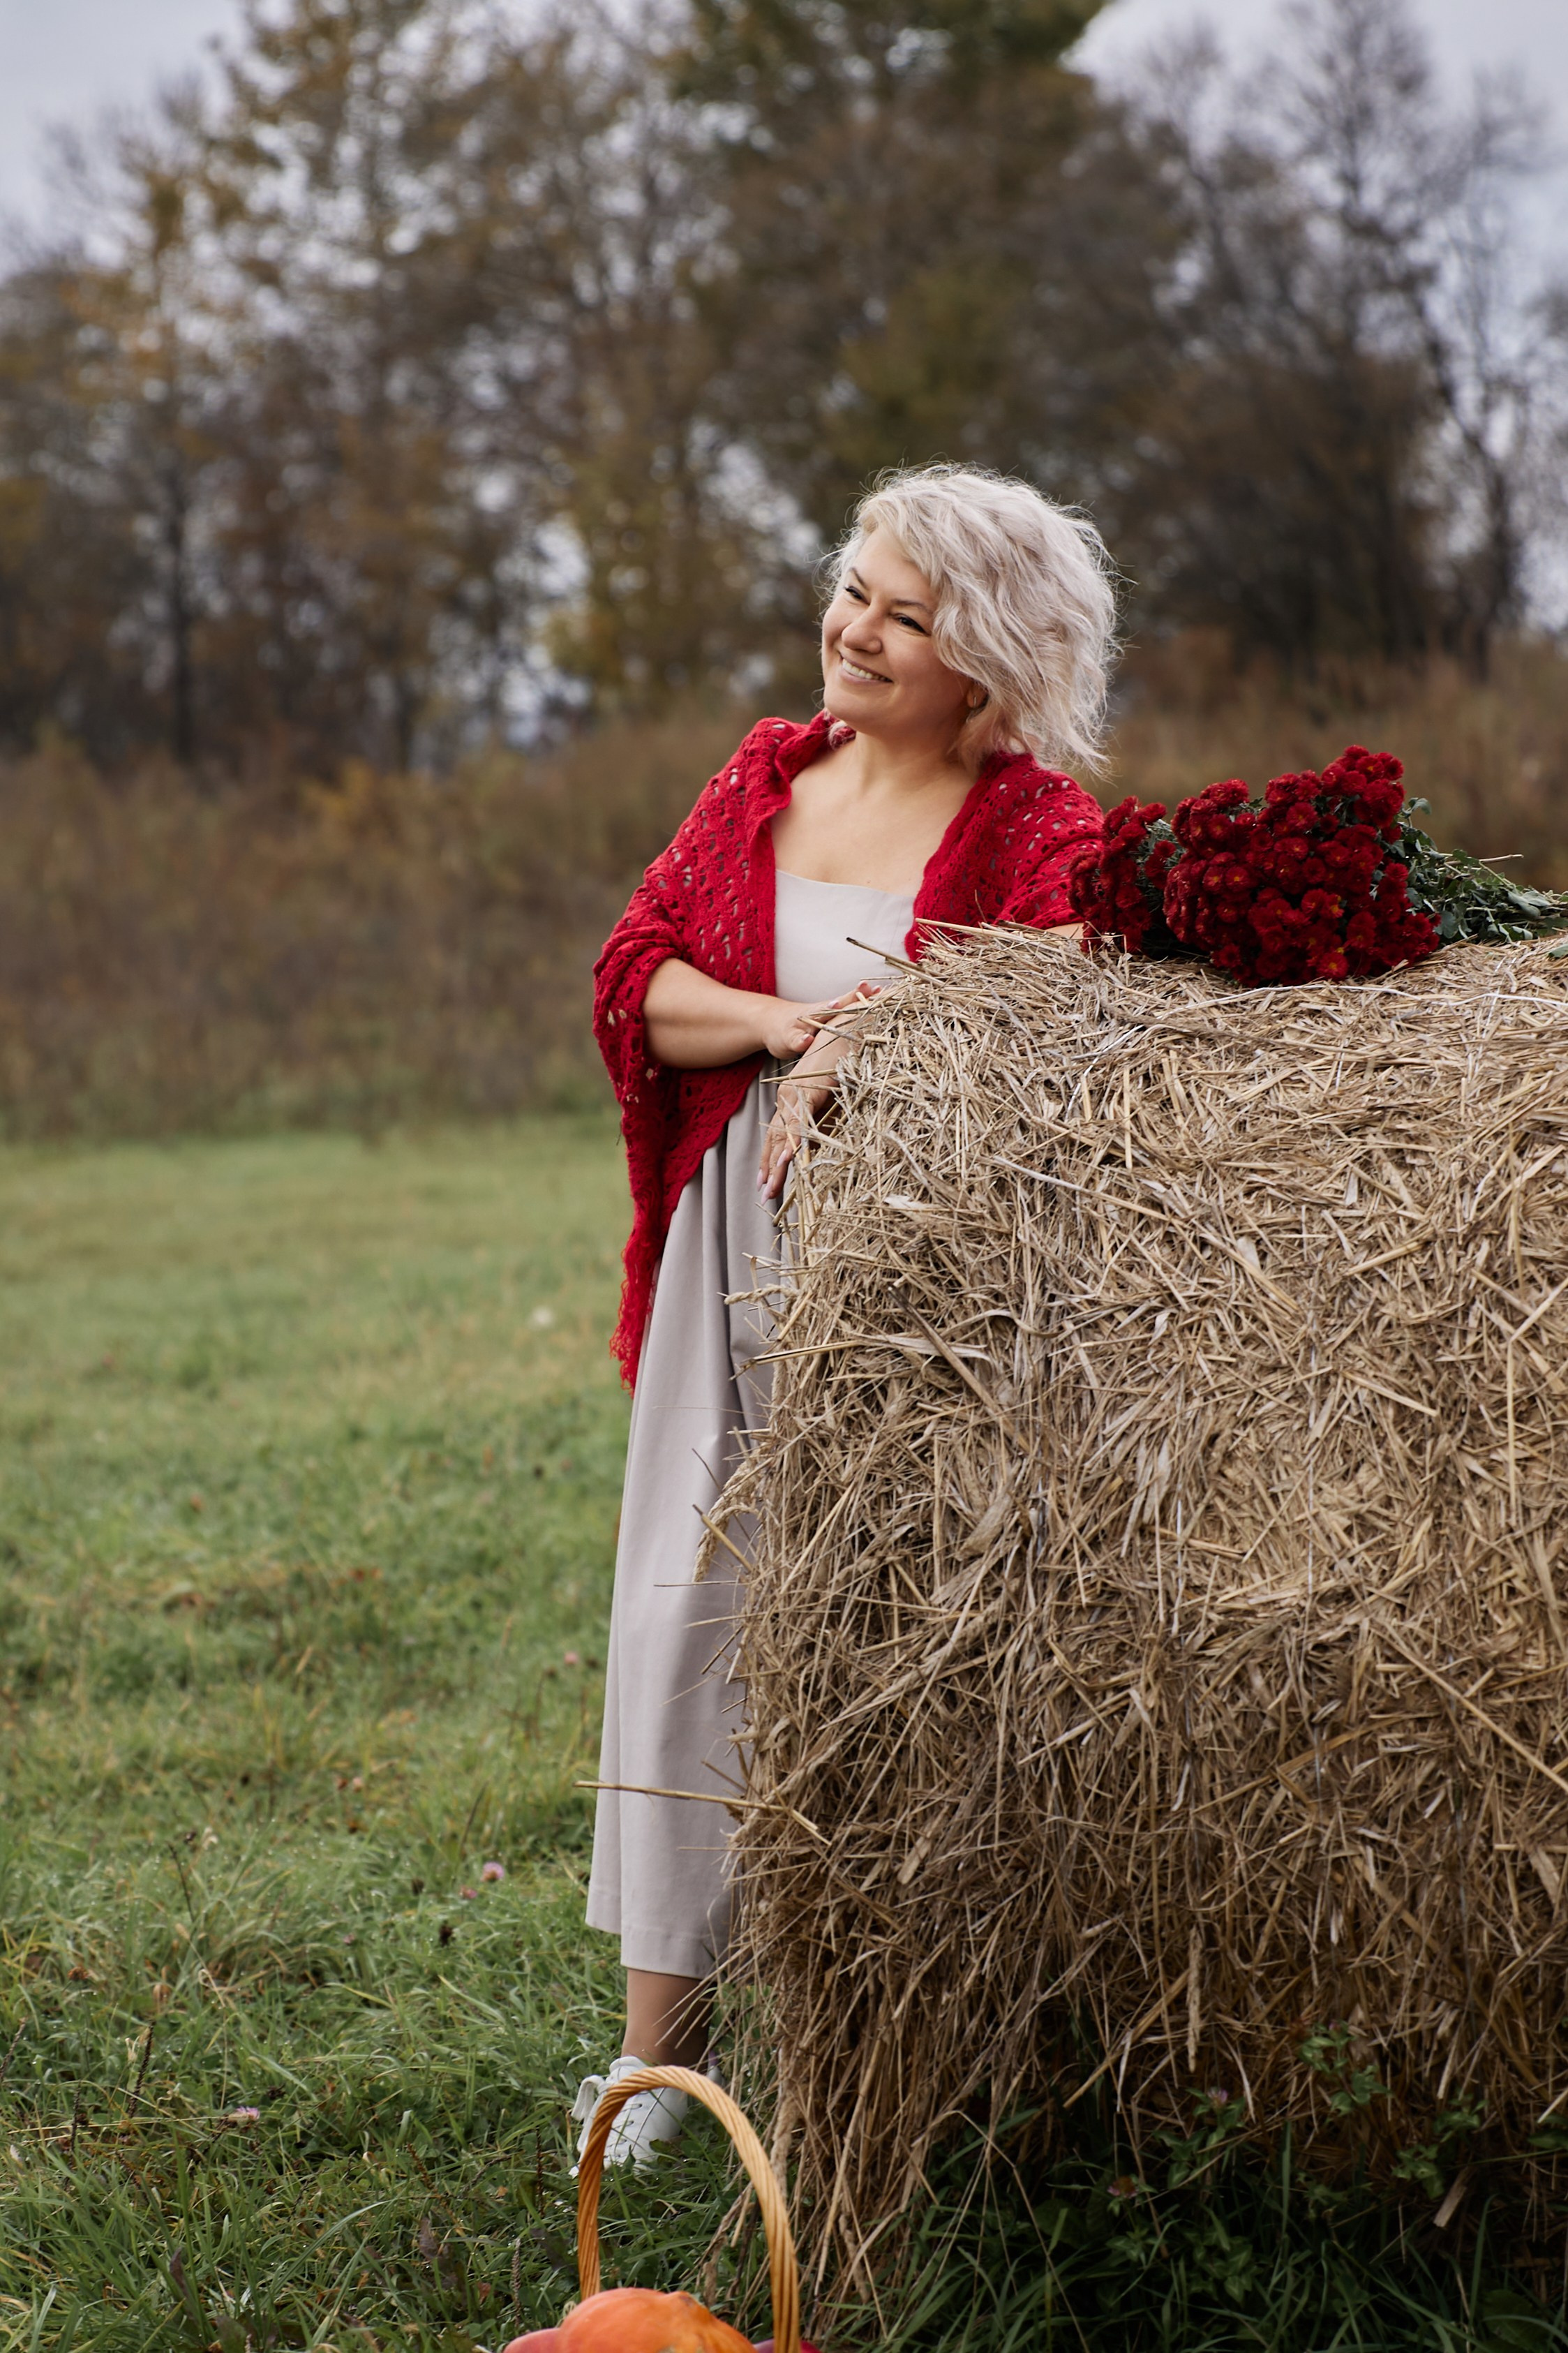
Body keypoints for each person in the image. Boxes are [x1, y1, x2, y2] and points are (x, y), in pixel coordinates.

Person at [578, 463, 1116, 2165]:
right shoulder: (765, 772)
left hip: (915, 1294)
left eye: (904, 611)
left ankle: (894, 2031)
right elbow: (634, 981)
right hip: (725, 1234)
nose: (854, 628)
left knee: (889, 1638)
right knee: (684, 1609)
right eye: (851, 587)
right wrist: (777, 1025)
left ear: (990, 657)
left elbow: (1049, 1044)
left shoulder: (1042, 833)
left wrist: (861, 1054)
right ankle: (657, 2067)